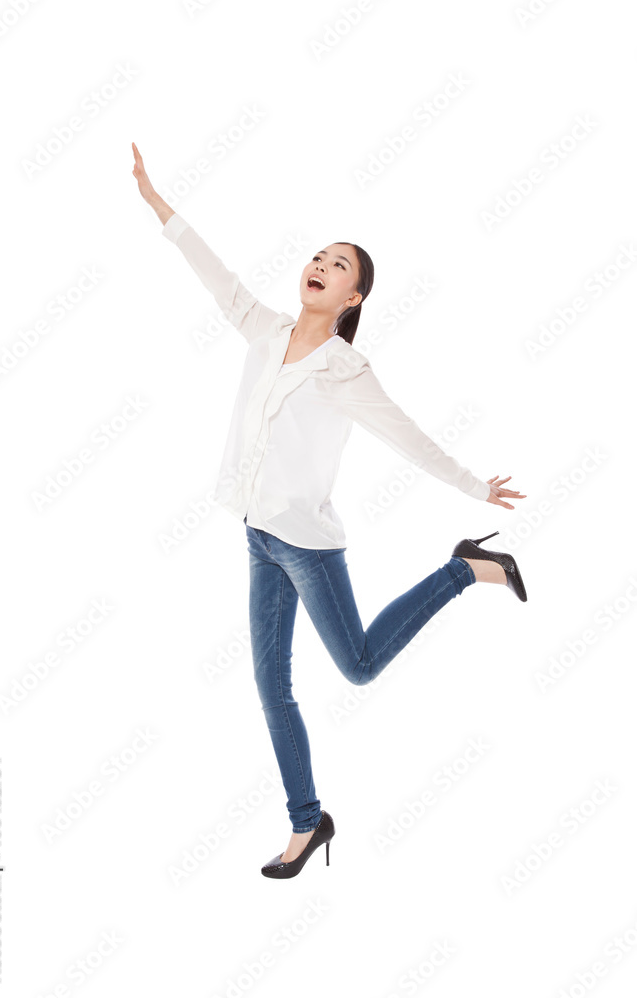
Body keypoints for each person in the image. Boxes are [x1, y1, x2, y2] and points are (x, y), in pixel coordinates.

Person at [131, 142, 528, 879]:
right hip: (257, 535)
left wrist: (474, 485)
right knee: (269, 685)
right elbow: (217, 278)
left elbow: (407, 434)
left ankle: (463, 569)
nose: (320, 264)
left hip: (306, 545)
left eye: (338, 264)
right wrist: (158, 203)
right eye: (317, 255)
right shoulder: (267, 329)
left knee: (359, 667)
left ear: (353, 299)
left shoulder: (345, 370)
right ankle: (306, 824)